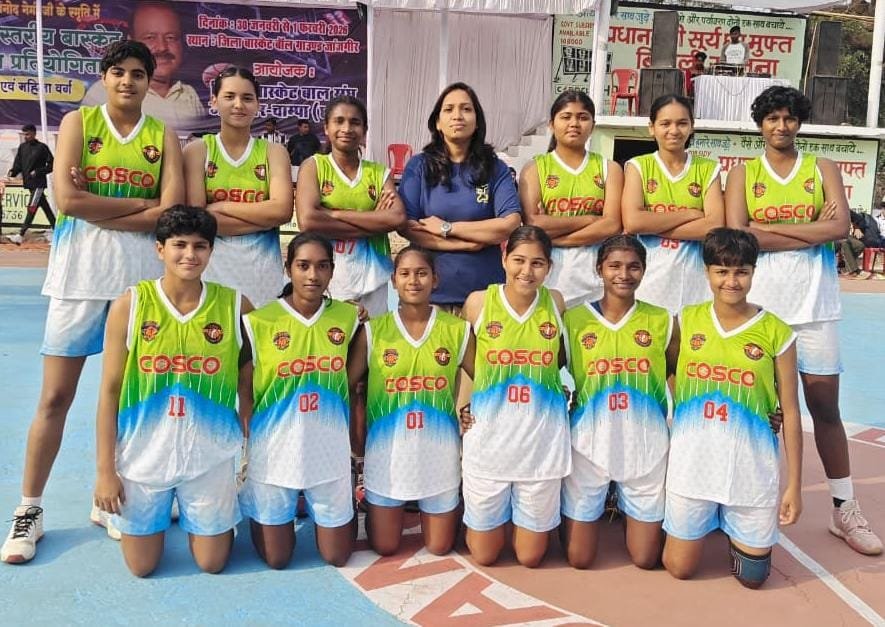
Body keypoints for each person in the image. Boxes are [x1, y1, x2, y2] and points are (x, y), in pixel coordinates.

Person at [1, 40, 183, 565]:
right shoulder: (79, 123)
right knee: (55, 398)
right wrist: (141, 204)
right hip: (79, 280)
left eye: (138, 74)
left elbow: (171, 210)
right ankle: (29, 509)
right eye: (118, 72)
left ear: (149, 82)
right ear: (105, 77)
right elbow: (68, 201)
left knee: (130, 399)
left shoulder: (163, 135)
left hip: (140, 285)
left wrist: (100, 205)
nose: (128, 81)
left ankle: (112, 500)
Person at [725, 86, 881, 555]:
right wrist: (812, 231)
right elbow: (738, 236)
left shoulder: (822, 168)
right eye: (772, 118)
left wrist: (768, 229)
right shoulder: (743, 174)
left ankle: (844, 508)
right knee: (757, 411)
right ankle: (745, 503)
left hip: (814, 309)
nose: (781, 126)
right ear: (760, 124)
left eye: (789, 118)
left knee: (825, 408)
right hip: (760, 310)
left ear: (799, 122)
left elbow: (840, 228)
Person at [93, 206, 250, 577]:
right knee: (142, 567)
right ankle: (160, 505)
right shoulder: (131, 305)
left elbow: (252, 371)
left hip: (209, 457)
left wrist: (249, 441)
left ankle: (196, 508)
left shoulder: (235, 305)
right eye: (180, 245)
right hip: (143, 457)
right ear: (160, 248)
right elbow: (110, 392)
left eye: (200, 246)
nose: (190, 255)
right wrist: (105, 472)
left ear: (211, 251)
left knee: (212, 564)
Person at [663, 228, 803, 588]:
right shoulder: (686, 320)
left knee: (753, 578)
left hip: (750, 467)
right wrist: (689, 403)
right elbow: (668, 370)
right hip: (693, 464)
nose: (731, 281)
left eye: (741, 271)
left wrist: (794, 486)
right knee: (679, 568)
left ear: (754, 272)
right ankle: (707, 520)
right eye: (721, 271)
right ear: (707, 271)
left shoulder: (777, 332)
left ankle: (730, 525)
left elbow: (790, 410)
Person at [239, 233, 359, 569]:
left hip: (328, 452)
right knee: (277, 559)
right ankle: (259, 495)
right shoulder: (259, 322)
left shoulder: (349, 319)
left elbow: (353, 381)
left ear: (332, 271)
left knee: (336, 556)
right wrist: (249, 432)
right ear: (287, 268)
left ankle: (344, 492)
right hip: (275, 452)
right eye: (303, 266)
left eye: (322, 266)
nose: (312, 275)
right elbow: (244, 385)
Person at [561, 234, 675, 570]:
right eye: (614, 266)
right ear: (599, 269)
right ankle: (602, 500)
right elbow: (542, 369)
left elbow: (682, 378)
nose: (623, 274)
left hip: (645, 447)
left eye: (633, 267)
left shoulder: (662, 321)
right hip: (588, 446)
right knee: (579, 559)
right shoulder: (574, 320)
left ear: (644, 270)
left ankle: (622, 503)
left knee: (645, 558)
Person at [349, 246, 471, 556]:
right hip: (387, 456)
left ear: (435, 279)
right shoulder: (374, 331)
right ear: (393, 281)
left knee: (440, 547)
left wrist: (471, 409)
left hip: (439, 455)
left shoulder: (457, 330)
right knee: (385, 546)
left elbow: (487, 380)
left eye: (421, 273)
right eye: (404, 273)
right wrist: (354, 439)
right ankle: (364, 494)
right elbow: (345, 384)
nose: (413, 281)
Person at [460, 226, 570, 568]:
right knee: (485, 555)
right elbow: (468, 363)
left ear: (549, 267)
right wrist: (463, 406)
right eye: (519, 260)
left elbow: (560, 361)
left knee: (530, 557)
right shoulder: (479, 302)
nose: (527, 270)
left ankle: (521, 519)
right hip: (490, 440)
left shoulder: (556, 303)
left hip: (540, 442)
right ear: (504, 259)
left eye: (537, 263)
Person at [399, 82, 522, 312]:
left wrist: (446, 228)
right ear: (437, 122)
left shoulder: (495, 168)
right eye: (449, 109)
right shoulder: (419, 166)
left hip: (484, 296)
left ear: (477, 121)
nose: (457, 116)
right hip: (429, 297)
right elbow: (407, 227)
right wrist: (468, 243)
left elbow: (510, 224)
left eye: (466, 109)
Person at [183, 66, 292, 307]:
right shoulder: (197, 151)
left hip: (262, 274)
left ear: (258, 104)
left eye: (247, 98)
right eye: (229, 96)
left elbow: (282, 211)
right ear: (214, 101)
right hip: (211, 272)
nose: (238, 105)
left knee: (258, 332)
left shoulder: (274, 152)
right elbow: (197, 220)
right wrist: (263, 219)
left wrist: (221, 207)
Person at [296, 96, 404, 317]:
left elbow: (397, 218)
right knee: (331, 339)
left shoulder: (378, 172)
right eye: (339, 121)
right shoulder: (314, 166)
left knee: (371, 338)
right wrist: (374, 221)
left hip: (374, 278)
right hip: (327, 279)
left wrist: (333, 214)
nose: (347, 128)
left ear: (364, 130)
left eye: (355, 122)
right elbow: (308, 221)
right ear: (326, 127)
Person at [622, 94, 724, 314]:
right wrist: (689, 214)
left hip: (695, 278)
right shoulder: (638, 166)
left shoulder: (708, 169)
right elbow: (633, 222)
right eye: (665, 123)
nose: (674, 130)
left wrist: (652, 225)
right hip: (649, 278)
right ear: (652, 128)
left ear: (692, 127)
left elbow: (714, 227)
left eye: (682, 123)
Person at [520, 90, 622, 307]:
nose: (574, 123)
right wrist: (591, 219)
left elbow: (612, 225)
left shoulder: (609, 169)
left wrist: (556, 236)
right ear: (551, 124)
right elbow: (534, 224)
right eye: (566, 117)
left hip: (595, 277)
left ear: (592, 126)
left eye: (583, 117)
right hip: (549, 275)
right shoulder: (535, 168)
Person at [82, 1, 206, 130]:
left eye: (171, 37)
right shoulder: (103, 93)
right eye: (150, 37)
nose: (162, 47)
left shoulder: (189, 94)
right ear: (131, 41)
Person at [7, 124, 55, 244]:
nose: (25, 137)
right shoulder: (22, 147)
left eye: (27, 134)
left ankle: (21, 234)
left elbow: (52, 165)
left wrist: (38, 172)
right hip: (29, 184)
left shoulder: (42, 148)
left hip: (39, 184)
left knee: (32, 207)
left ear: (34, 133)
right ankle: (58, 232)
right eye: (24, 134)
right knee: (46, 208)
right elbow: (18, 164)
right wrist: (12, 172)